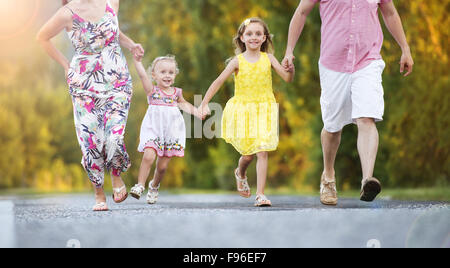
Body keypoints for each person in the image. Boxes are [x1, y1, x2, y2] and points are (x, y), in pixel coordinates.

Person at [282, 0, 414, 205]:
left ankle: (367, 179)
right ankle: (328, 176)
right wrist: (289, 50)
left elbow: (390, 13)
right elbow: (301, 13)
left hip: (367, 61)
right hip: (332, 64)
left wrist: (405, 48)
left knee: (367, 117)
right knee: (333, 127)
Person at [37, 0, 145, 211]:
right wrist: (66, 66)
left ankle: (115, 175)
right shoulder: (66, 13)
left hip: (118, 82)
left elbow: (112, 30)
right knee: (91, 141)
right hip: (84, 85)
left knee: (114, 136)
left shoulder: (111, 2)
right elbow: (42, 37)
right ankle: (98, 193)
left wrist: (131, 44)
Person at [199, 18, 295, 207]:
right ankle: (240, 173)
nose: (254, 37)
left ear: (264, 37)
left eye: (258, 34)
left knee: (262, 152)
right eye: (249, 34)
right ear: (242, 37)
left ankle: (260, 194)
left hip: (265, 109)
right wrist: (204, 103)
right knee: (248, 155)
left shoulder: (269, 58)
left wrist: (291, 70)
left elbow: (287, 78)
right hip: (243, 111)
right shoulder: (237, 61)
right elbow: (218, 81)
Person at [130, 55, 203, 204]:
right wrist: (137, 62)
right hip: (153, 130)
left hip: (171, 131)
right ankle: (140, 185)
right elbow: (143, 76)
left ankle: (154, 186)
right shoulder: (152, 91)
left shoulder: (177, 93)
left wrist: (197, 112)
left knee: (162, 167)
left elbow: (184, 105)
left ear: (175, 75)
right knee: (149, 156)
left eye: (171, 72)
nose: (167, 75)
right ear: (154, 75)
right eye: (163, 72)